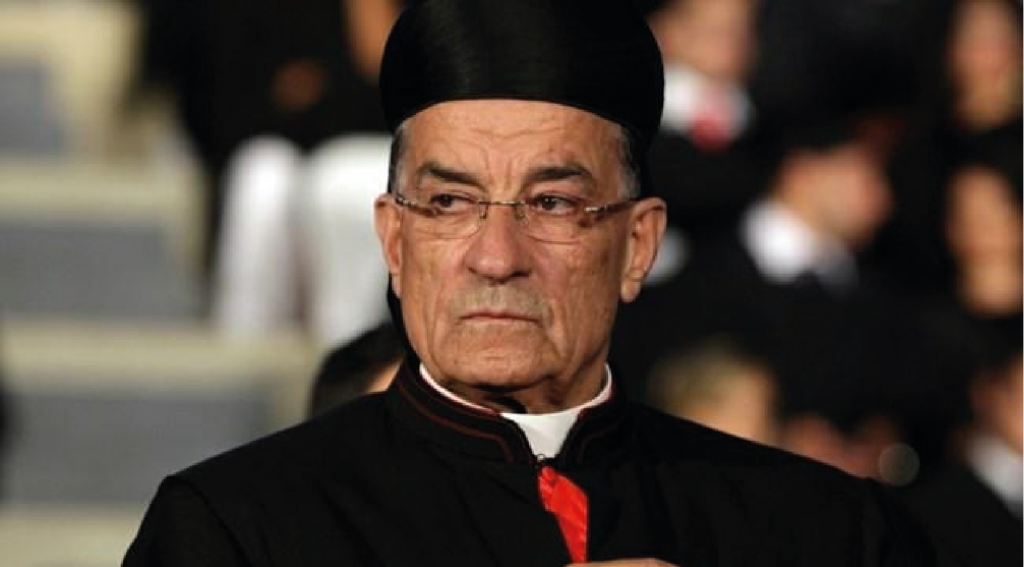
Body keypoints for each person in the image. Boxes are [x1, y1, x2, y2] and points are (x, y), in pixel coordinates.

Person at [124, 1, 954, 565]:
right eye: (449, 203)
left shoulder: (825, 530)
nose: (496, 256)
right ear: (395, 241)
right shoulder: (234, 529)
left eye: (553, 202)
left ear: (637, 245)